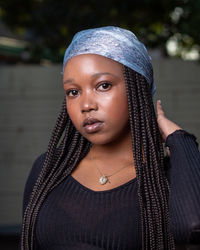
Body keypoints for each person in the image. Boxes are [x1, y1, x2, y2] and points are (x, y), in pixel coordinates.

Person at [20, 26, 200, 250]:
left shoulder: (166, 176)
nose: (86, 105)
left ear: (138, 89)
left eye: (103, 85)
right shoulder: (49, 169)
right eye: (73, 92)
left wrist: (181, 141)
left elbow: (192, 228)